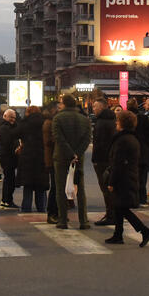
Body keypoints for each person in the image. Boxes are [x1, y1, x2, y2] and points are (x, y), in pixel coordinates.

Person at [104, 111, 149, 247]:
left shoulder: (123, 140)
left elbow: (118, 163)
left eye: (118, 120)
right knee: (118, 206)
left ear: (122, 123)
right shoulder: (131, 138)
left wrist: (111, 182)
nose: (116, 123)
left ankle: (145, 230)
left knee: (122, 208)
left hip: (123, 178)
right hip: (129, 176)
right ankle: (118, 234)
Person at [52, 95, 91, 230]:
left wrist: (70, 153)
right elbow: (87, 139)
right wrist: (77, 153)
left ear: (64, 104)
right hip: (78, 159)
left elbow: (59, 138)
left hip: (62, 157)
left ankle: (63, 220)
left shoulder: (57, 118)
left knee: (61, 188)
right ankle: (83, 221)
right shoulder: (84, 119)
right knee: (80, 189)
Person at [16, 106, 49, 213]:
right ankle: (41, 207)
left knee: (28, 185)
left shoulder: (24, 123)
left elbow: (16, 134)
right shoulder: (44, 122)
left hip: (27, 156)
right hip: (42, 155)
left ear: (28, 113)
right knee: (41, 185)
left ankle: (26, 208)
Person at [90, 99, 116, 224]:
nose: (93, 109)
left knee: (106, 188)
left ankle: (111, 215)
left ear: (102, 107)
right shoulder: (112, 120)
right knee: (109, 188)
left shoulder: (102, 123)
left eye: (95, 106)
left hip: (102, 160)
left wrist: (96, 159)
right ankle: (112, 214)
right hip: (109, 159)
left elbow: (100, 144)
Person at [0, 108, 20, 209]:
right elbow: (8, 142)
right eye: (11, 117)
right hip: (7, 157)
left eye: (14, 118)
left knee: (9, 179)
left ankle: (6, 201)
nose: (13, 120)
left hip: (8, 156)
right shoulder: (4, 128)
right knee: (9, 180)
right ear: (5, 116)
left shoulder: (9, 126)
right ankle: (7, 201)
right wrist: (16, 148)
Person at [42, 104, 59, 224]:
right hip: (52, 158)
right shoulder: (49, 122)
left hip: (52, 158)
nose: (57, 109)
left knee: (56, 186)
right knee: (55, 187)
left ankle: (55, 212)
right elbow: (48, 141)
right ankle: (52, 213)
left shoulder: (49, 121)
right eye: (56, 107)